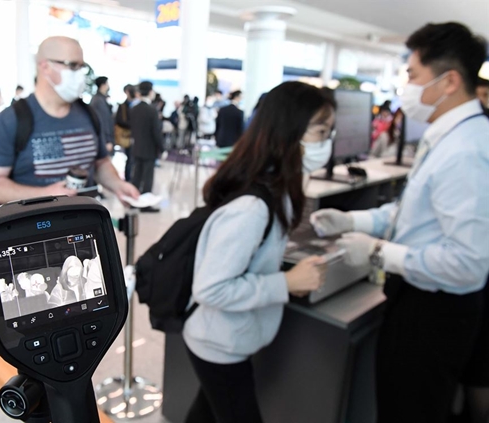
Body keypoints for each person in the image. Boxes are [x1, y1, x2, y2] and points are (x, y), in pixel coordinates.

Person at [311, 22, 489, 423]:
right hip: (421, 302)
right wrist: (353, 218)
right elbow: (415, 213)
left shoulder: (467, 151)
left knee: (411, 410)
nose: (405, 86)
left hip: (435, 311)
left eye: (413, 75)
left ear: (449, 81)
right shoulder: (448, 135)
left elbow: (467, 264)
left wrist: (377, 253)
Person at [184, 81, 332, 423]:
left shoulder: (277, 189)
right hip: (218, 343)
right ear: (289, 132)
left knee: (206, 412)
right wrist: (287, 282)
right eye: (321, 131)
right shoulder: (253, 207)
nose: (327, 142)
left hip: (227, 339)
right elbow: (211, 288)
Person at [0, 36, 139, 206]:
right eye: (72, 65)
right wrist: (44, 195)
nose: (80, 74)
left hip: (84, 226)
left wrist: (118, 185)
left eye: (81, 67)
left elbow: (100, 163)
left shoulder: (88, 114)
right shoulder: (9, 121)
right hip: (34, 229)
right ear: (45, 66)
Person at [129, 81, 163, 201]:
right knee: (148, 177)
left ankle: (133, 199)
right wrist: (162, 148)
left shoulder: (134, 109)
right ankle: (145, 203)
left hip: (137, 146)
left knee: (137, 175)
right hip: (149, 148)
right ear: (150, 91)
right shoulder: (152, 110)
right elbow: (156, 132)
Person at [115, 84, 136, 181]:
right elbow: (119, 120)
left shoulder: (137, 104)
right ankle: (129, 179)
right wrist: (132, 124)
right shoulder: (123, 106)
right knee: (130, 158)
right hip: (128, 135)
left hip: (138, 135)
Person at [90, 76, 115, 153]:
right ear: (103, 85)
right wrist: (107, 140)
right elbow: (103, 121)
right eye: (107, 83)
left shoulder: (101, 99)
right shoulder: (98, 100)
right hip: (103, 139)